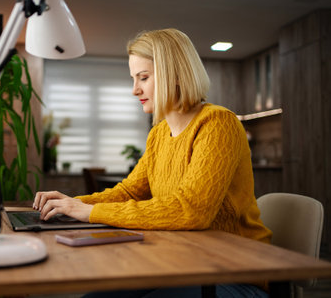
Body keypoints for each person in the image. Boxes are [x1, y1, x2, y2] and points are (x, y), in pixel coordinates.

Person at [33, 28, 272, 298]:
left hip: (234, 270)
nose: (134, 90)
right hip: (181, 263)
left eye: (143, 78)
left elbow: (191, 210)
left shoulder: (218, 123)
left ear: (176, 74)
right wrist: (71, 205)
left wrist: (87, 212)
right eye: (134, 79)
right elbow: (129, 192)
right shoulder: (158, 133)